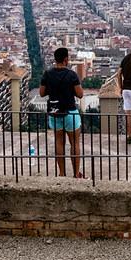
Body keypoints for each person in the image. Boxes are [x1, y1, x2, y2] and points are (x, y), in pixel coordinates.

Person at [39, 47, 84, 178]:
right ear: (66, 59)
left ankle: (62, 173)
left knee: (59, 143)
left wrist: (52, 90)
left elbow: (41, 93)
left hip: (55, 112)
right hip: (70, 112)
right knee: (74, 143)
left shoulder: (47, 74)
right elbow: (80, 94)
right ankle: (76, 174)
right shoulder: (71, 75)